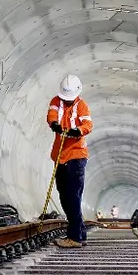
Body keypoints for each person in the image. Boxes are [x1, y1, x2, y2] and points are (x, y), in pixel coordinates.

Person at [47, 74, 93, 248]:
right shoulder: (56, 101)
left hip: (77, 155)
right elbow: (51, 115)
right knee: (65, 196)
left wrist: (78, 131)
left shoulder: (81, 105)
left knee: (73, 196)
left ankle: (74, 237)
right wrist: (54, 125)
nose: (67, 102)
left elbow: (88, 125)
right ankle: (80, 232)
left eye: (69, 99)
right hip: (60, 155)